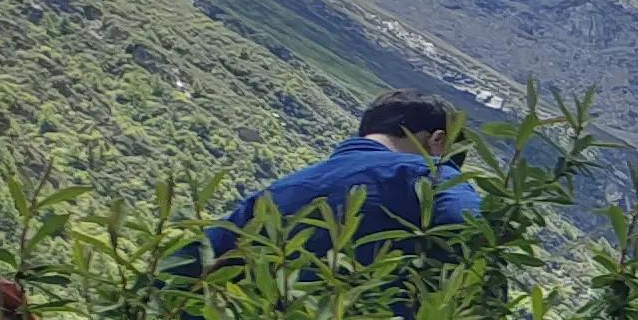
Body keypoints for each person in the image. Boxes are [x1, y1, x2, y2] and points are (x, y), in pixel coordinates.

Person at [195, 89, 483, 272]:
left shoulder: (278, 192)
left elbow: (190, 262)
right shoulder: (430, 174)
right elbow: (477, 234)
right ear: (438, 141)